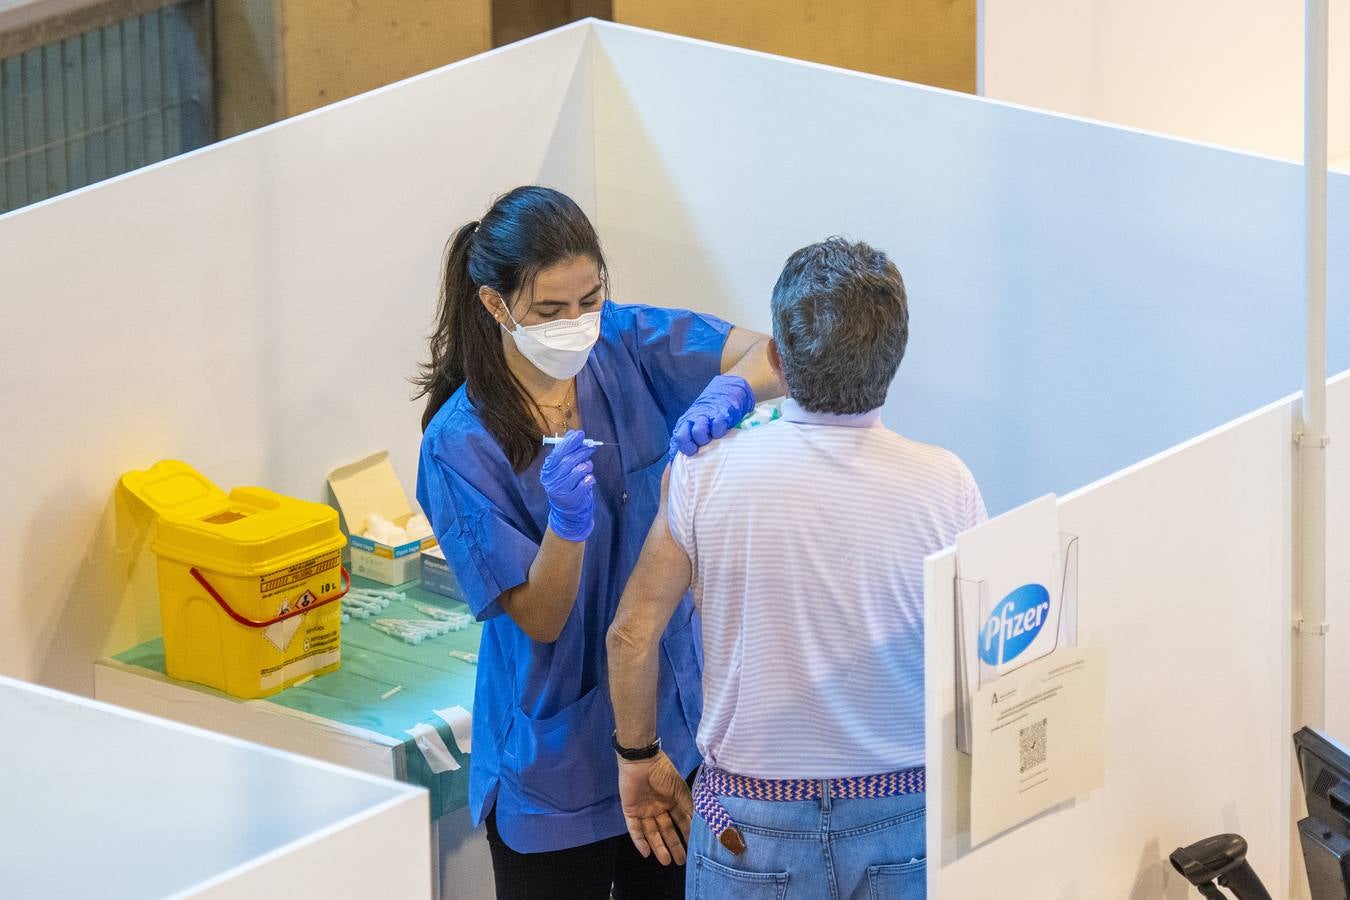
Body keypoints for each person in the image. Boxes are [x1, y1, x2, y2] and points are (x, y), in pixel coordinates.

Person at [414, 185, 783, 899]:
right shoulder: (459, 446)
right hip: (555, 764)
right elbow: (543, 618)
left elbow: (771, 355)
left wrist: (729, 392)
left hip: (666, 726)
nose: (579, 324)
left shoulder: (625, 344)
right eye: (551, 312)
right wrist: (566, 526)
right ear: (496, 305)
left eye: (590, 299)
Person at [606, 238, 987, 899]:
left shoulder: (703, 468)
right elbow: (979, 662)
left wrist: (638, 758)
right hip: (907, 818)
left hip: (750, 826)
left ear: (776, 358)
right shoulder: (947, 484)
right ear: (893, 359)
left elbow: (631, 636)